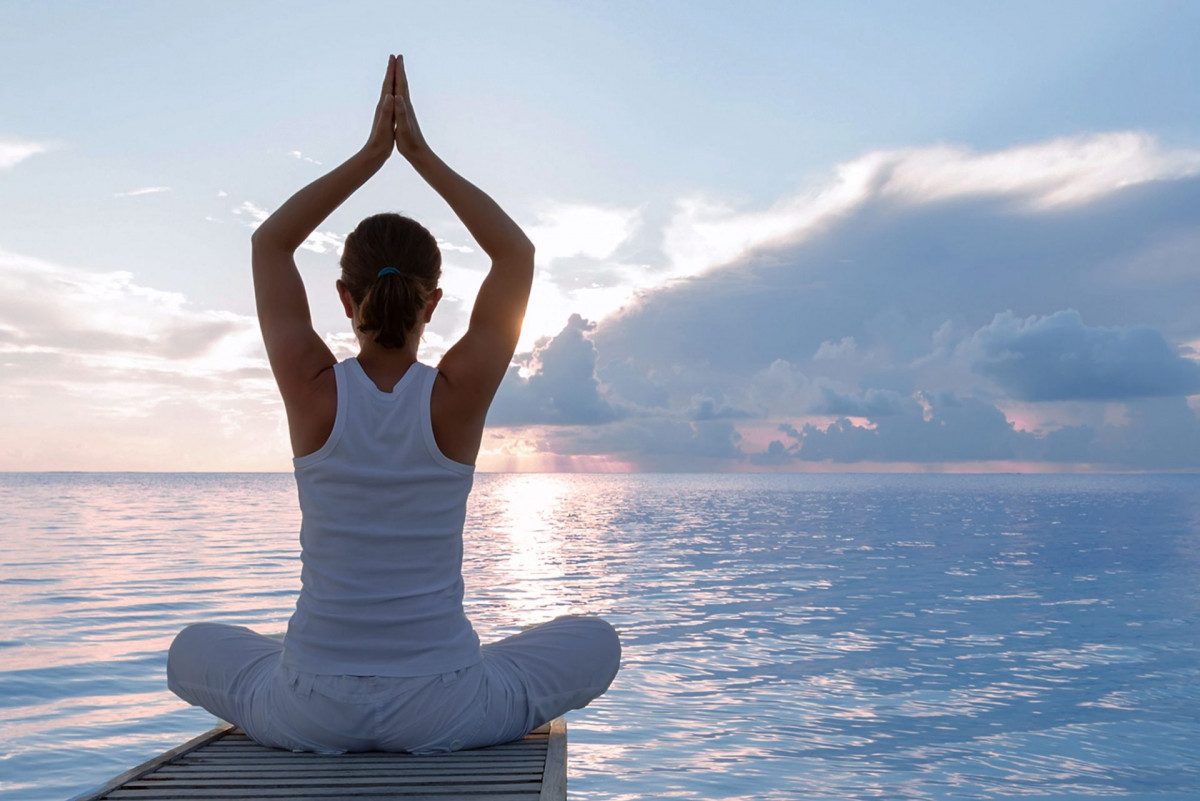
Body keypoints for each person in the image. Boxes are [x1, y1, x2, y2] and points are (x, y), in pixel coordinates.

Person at [166, 55, 620, 754]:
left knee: (190, 647)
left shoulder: (313, 388)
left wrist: (371, 155)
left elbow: (270, 244)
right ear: (432, 303)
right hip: (445, 706)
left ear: (344, 299)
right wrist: (421, 156)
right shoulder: (454, 397)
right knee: (597, 639)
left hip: (310, 703)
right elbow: (516, 257)